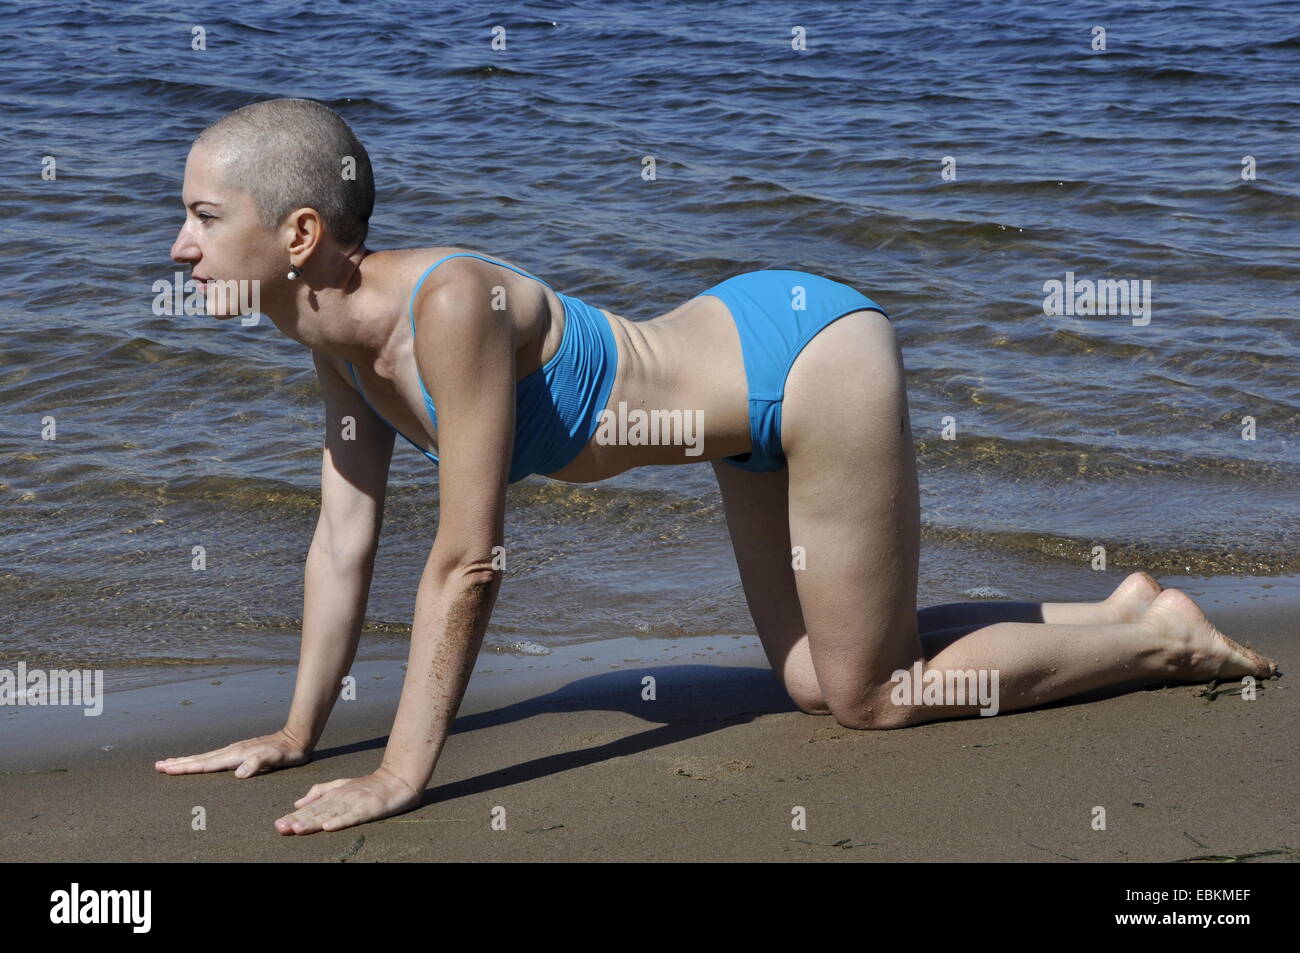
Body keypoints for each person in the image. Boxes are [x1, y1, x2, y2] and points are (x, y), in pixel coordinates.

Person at [154, 98, 1278, 836]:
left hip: (812, 364)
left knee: (869, 698)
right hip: (732, 387)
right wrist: (299, 732)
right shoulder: (329, 341)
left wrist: (401, 775)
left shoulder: (450, 304)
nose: (179, 244)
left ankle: (1155, 639)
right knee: (810, 679)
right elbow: (341, 539)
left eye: (205, 215)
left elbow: (468, 560)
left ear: (299, 236)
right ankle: (1114, 605)